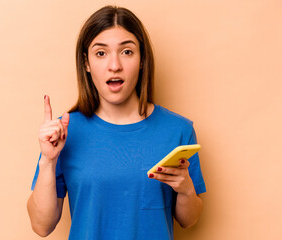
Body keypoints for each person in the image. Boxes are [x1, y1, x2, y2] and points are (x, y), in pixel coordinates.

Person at [27, 5, 206, 240]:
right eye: (101, 53)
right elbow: (42, 226)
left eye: (127, 52)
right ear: (87, 64)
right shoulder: (63, 133)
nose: (115, 65)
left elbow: (189, 220)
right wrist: (49, 161)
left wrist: (185, 190)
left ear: (142, 60)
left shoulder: (178, 131)